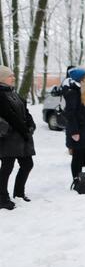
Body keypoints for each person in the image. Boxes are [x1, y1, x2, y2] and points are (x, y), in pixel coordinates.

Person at [0, 66, 35, 209]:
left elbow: (24, 111)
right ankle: (2, 198)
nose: (13, 78)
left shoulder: (13, 92)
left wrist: (31, 123)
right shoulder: (1, 95)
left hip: (21, 137)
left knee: (27, 164)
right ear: (2, 78)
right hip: (8, 138)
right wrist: (25, 131)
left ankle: (19, 193)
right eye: (10, 76)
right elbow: (10, 116)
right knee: (7, 168)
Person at [63, 68, 85, 181]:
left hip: (84, 129)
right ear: (82, 79)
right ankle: (76, 179)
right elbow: (70, 113)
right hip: (78, 130)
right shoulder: (73, 92)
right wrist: (74, 131)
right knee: (77, 157)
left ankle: (79, 177)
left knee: (81, 156)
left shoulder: (84, 89)